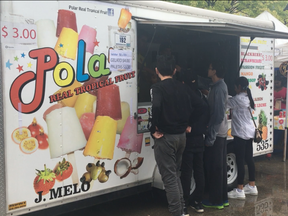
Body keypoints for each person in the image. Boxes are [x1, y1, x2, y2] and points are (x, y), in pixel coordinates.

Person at [148, 55, 203, 216]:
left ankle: (177, 212)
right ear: (174, 70)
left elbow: (156, 106)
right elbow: (200, 106)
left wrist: (153, 128)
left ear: (156, 71)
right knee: (175, 175)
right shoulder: (183, 87)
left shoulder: (157, 88)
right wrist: (189, 124)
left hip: (165, 138)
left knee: (170, 178)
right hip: (181, 138)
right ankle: (182, 211)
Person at [180, 70, 210, 215]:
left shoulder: (186, 97)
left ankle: (184, 204)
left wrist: (189, 127)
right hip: (200, 139)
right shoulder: (201, 96)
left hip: (188, 139)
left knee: (186, 173)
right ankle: (198, 202)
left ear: (183, 83)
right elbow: (206, 116)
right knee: (199, 171)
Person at [203, 59, 228, 209]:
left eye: (210, 68)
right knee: (220, 167)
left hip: (217, 134)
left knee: (215, 167)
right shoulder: (217, 87)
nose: (208, 69)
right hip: (220, 132)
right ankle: (222, 198)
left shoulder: (219, 88)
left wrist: (211, 136)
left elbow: (218, 114)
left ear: (215, 71)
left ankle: (215, 200)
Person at [227, 77, 258, 199]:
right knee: (249, 159)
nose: (234, 89)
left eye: (235, 87)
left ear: (239, 87)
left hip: (241, 133)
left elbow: (224, 103)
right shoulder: (248, 98)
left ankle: (240, 189)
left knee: (240, 160)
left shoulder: (238, 99)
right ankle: (252, 185)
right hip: (250, 133)